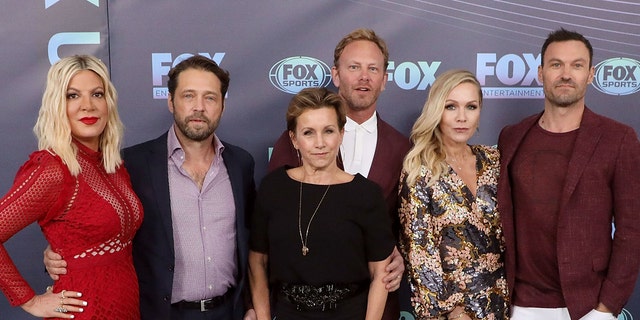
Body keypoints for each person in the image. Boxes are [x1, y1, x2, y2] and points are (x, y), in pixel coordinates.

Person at [45, 55, 257, 320]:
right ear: (171, 102)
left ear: (223, 105)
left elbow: (251, 242)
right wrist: (57, 254)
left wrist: (250, 304)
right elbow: (94, 224)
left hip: (229, 312)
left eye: (210, 98)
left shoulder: (241, 164)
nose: (199, 107)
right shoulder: (130, 164)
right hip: (158, 313)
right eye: (188, 96)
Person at [498, 28, 640, 320]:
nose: (566, 74)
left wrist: (606, 308)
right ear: (540, 73)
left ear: (590, 74)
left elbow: (632, 229)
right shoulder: (512, 137)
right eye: (556, 64)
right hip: (517, 305)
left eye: (577, 65)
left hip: (586, 306)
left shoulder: (618, 139)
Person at [268, 28, 410, 319]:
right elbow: (272, 220)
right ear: (335, 75)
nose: (363, 76)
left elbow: (406, 223)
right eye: (354, 67)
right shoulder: (294, 140)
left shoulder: (403, 148)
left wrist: (401, 255)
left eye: (373, 69)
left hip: (376, 302)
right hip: (304, 304)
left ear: (384, 80)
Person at [0, 55, 143, 319]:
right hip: (83, 310)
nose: (87, 106)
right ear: (56, 105)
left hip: (127, 306)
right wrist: (29, 301)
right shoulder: (52, 169)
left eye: (97, 94)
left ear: (108, 103)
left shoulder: (113, 165)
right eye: (72, 96)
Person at [250, 87, 396, 319]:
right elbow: (257, 261)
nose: (320, 143)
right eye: (308, 133)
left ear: (341, 134)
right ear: (294, 139)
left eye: (328, 131)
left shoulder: (366, 194)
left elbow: (381, 273)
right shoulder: (273, 188)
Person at [398, 69, 509, 320]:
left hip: (502, 300)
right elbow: (419, 253)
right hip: (450, 311)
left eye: (471, 107)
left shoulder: (493, 160)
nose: (462, 117)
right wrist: (453, 312)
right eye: (451, 107)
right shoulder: (419, 169)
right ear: (437, 111)